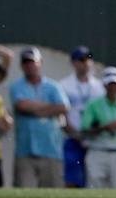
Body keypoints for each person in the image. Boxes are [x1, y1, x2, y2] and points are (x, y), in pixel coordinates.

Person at [6, 47, 70, 188]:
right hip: (25, 150)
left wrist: (35, 109)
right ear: (22, 65)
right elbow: (22, 106)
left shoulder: (53, 86)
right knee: (23, 192)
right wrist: (49, 107)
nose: (30, 66)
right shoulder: (16, 86)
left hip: (51, 149)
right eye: (26, 63)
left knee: (53, 192)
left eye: (33, 62)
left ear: (40, 62)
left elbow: (63, 107)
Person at [57, 47, 107, 189]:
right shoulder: (64, 85)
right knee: (72, 179)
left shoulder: (99, 86)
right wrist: (75, 133)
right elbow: (62, 113)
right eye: (81, 60)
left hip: (95, 138)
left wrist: (94, 130)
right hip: (72, 137)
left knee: (93, 179)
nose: (85, 63)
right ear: (73, 62)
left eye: (88, 59)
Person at [80, 68, 116, 189]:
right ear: (104, 85)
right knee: (94, 190)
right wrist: (105, 127)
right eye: (109, 84)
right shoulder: (93, 105)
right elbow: (84, 130)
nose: (112, 88)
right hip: (97, 151)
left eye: (114, 84)